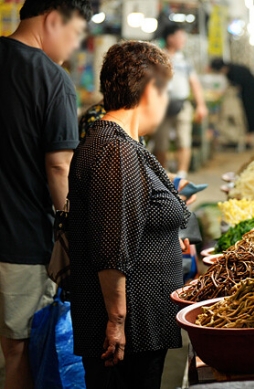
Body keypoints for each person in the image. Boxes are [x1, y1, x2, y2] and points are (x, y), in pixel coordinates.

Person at [67, 41, 190, 388]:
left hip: (142, 327)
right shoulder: (116, 150)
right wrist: (117, 321)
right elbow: (111, 247)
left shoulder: (118, 144)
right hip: (129, 332)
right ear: (151, 90)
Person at [0, 1, 91, 388]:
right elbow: (58, 167)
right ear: (53, 19)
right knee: (18, 347)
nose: (74, 46)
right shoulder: (51, 78)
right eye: (75, 34)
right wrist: (74, 226)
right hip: (19, 238)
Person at [154, 24, 208, 179]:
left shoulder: (185, 60)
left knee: (184, 139)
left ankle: (181, 175)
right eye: (180, 36)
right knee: (161, 142)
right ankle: (162, 175)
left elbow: (194, 83)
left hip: (182, 104)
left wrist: (201, 105)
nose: (183, 39)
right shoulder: (157, 58)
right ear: (170, 38)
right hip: (161, 107)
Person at [210, 58, 254, 144]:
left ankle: (249, 138)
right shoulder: (231, 70)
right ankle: (246, 138)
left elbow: (236, 86)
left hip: (250, 95)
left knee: (250, 114)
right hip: (246, 94)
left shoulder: (234, 71)